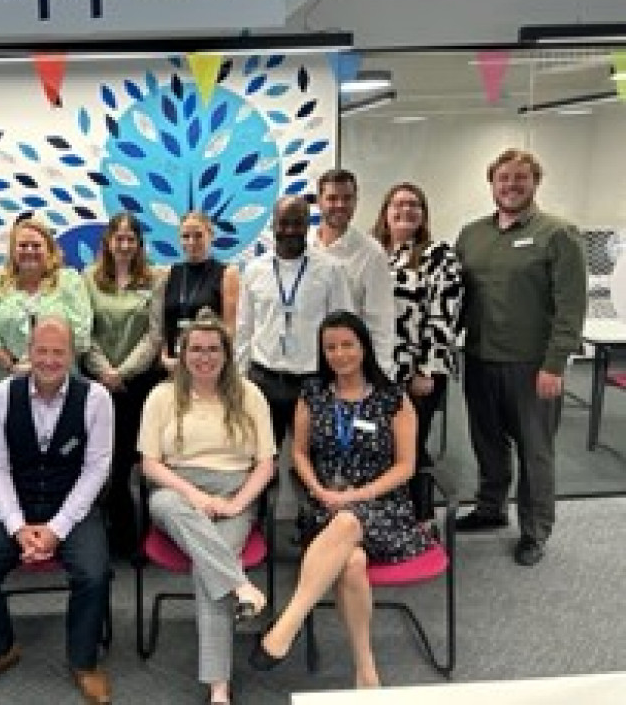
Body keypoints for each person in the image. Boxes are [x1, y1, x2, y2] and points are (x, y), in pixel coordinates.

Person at [250, 310, 427, 689]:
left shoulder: (392, 398)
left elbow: (406, 466)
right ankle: (366, 671)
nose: (339, 354)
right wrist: (319, 490)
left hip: (382, 506)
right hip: (324, 503)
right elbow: (297, 453)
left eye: (347, 345)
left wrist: (357, 496)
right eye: (331, 347)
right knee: (352, 562)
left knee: (349, 521)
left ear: (363, 347)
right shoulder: (312, 394)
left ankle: (289, 621)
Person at [0, 316, 114, 704]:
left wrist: (56, 528)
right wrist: (17, 525)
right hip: (15, 507)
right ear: (29, 352)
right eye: (41, 351)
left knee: (95, 574)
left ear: (72, 355)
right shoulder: (0, 396)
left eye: (58, 352)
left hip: (72, 509)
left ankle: (84, 662)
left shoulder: (96, 399)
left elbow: (97, 470)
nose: (49, 360)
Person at [454, 149, 587, 566]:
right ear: (491, 184)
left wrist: (555, 364)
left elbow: (571, 307)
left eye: (520, 178)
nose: (511, 186)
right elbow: (454, 299)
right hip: (479, 358)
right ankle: (491, 507)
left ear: (535, 183)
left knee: (536, 450)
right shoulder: (472, 234)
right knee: (488, 443)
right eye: (503, 178)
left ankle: (535, 531)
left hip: (533, 365)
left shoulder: (558, 234)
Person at [138, 307, 275, 705]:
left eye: (213, 349)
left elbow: (265, 464)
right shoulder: (162, 396)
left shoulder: (250, 394)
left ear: (226, 353)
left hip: (235, 491)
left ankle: (218, 686)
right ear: (182, 354)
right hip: (177, 490)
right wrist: (197, 498)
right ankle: (241, 585)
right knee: (169, 506)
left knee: (207, 564)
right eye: (195, 349)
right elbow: (149, 464)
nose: (204, 356)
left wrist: (237, 506)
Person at [372, 183, 463, 521]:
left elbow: (445, 313)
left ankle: (422, 519)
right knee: (383, 446)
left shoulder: (438, 254)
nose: (406, 211)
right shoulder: (374, 251)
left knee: (411, 443)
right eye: (398, 204)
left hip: (417, 372)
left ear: (424, 214)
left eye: (414, 205)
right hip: (378, 371)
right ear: (385, 211)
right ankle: (389, 516)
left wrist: (428, 368)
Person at [236, 195, 351, 450]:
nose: (290, 230)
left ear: (308, 224)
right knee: (260, 459)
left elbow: (343, 332)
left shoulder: (331, 270)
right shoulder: (254, 271)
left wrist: (343, 380)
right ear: (273, 224)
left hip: (313, 382)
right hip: (263, 379)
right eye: (283, 223)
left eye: (297, 223)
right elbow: (244, 329)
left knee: (315, 459)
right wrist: (240, 380)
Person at [83, 212, 164, 556]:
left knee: (138, 460)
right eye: (119, 239)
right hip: (99, 384)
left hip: (139, 385)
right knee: (107, 461)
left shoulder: (156, 279)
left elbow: (155, 335)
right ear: (108, 242)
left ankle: (142, 534)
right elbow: (84, 332)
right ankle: (116, 533)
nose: (125, 245)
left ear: (140, 244)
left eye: (131, 239)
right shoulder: (87, 279)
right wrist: (106, 372)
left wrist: (123, 372)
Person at [0, 218, 92, 385]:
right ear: (13, 251)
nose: (29, 250)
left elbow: (80, 334)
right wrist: (12, 366)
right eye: (22, 245)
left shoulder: (70, 281)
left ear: (49, 250)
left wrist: (46, 368)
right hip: (6, 379)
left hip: (60, 379)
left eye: (36, 246)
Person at [309, 169, 396, 375]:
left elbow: (380, 321)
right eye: (332, 198)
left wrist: (381, 374)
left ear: (356, 201)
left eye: (347, 198)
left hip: (346, 365)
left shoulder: (372, 253)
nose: (340, 205)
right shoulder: (303, 246)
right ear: (319, 201)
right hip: (305, 363)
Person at [152, 211, 239, 375]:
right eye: (186, 236)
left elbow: (229, 329)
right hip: (173, 366)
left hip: (207, 366)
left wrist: (213, 361)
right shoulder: (168, 273)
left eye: (198, 235)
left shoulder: (227, 274)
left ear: (211, 235)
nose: (192, 242)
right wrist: (164, 356)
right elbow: (163, 324)